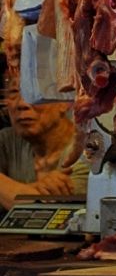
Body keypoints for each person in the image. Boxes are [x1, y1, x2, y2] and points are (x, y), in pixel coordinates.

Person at [0, 82, 87, 210]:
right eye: (13, 93)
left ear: (64, 102)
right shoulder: (7, 140)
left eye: (35, 92)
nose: (22, 104)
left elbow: (38, 209)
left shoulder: (89, 151)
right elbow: (37, 200)